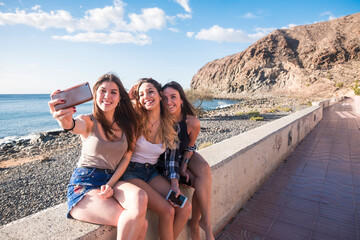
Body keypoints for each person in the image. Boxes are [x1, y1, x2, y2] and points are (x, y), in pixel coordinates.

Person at [48, 73, 148, 240]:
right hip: (85, 184)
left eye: (113, 92)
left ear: (119, 99)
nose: (107, 96)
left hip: (112, 180)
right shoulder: (88, 121)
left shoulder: (128, 125)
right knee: (139, 223)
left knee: (140, 197)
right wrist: (63, 120)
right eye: (102, 91)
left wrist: (110, 184)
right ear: (95, 95)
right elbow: (71, 125)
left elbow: (126, 158)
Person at [121, 78, 192, 240]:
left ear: (160, 95)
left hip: (151, 172)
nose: (146, 96)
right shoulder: (135, 118)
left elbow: (171, 160)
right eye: (141, 94)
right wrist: (130, 94)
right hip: (131, 173)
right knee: (167, 211)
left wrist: (174, 184)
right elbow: (116, 105)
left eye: (150, 91)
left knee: (185, 206)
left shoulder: (170, 124)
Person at [161, 81, 214, 240]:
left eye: (173, 97)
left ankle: (204, 222)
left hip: (183, 155)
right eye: (164, 98)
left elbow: (190, 147)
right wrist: (177, 175)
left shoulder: (192, 122)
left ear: (182, 100)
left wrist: (183, 169)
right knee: (198, 180)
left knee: (204, 168)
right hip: (165, 161)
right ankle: (195, 224)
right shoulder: (161, 119)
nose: (169, 102)